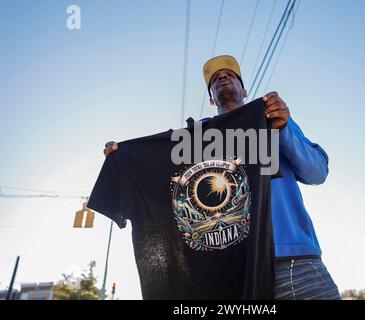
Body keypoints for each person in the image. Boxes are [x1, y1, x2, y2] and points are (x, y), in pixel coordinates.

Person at [103, 55, 340, 300]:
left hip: (293, 261)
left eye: (230, 75)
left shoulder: (274, 119)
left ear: (245, 90)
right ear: (210, 97)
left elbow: (317, 172)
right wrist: (125, 158)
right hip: (229, 268)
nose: (223, 77)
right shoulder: (195, 139)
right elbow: (163, 181)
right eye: (215, 78)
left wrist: (284, 128)